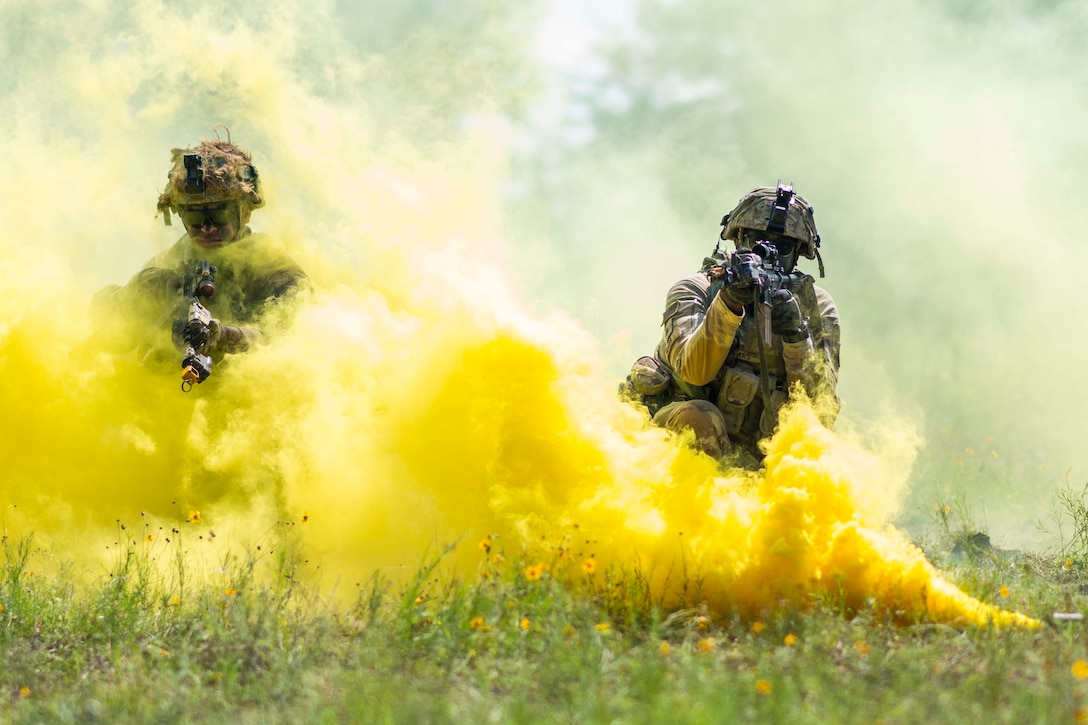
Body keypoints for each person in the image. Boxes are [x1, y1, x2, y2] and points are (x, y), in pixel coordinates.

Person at [620, 183, 840, 465]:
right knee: (699, 418)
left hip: (758, 458)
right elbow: (693, 371)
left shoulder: (816, 307)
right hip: (669, 449)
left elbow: (818, 409)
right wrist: (728, 303)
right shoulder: (697, 289)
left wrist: (797, 337)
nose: (769, 254)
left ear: (798, 253)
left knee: (819, 453)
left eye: (783, 246)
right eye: (758, 241)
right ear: (738, 240)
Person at [94, 137, 310, 387]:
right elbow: (101, 322)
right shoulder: (171, 260)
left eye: (219, 215)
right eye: (195, 217)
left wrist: (225, 337)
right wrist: (139, 290)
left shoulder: (273, 268)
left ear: (245, 212)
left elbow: (294, 339)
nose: (207, 228)